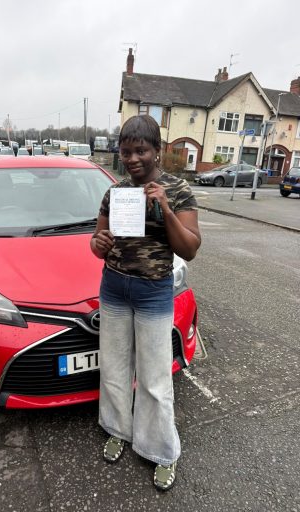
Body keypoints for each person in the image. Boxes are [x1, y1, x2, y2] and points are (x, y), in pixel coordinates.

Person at [90, 114, 201, 491]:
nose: (134, 159)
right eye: (126, 152)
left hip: (153, 292)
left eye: (142, 151)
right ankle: (117, 429)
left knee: (154, 377)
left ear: (157, 150)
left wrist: (166, 208)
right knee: (114, 367)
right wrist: (98, 244)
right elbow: (96, 241)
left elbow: (190, 248)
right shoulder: (115, 192)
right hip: (115, 287)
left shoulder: (179, 189)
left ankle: (161, 451)